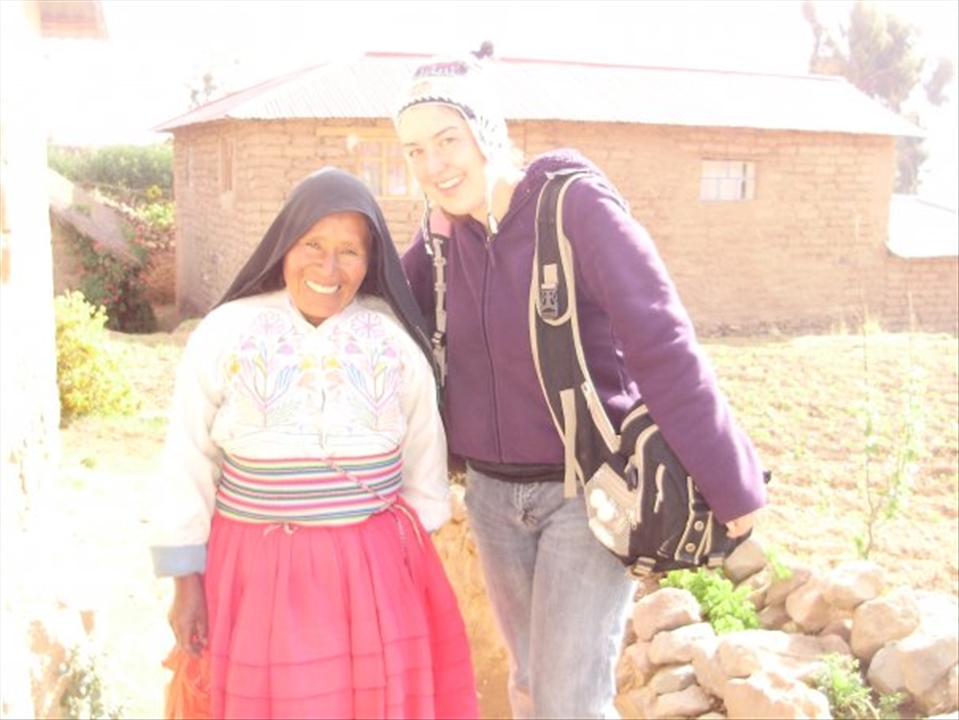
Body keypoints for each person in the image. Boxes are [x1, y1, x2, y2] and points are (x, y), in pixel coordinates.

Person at [394, 53, 769, 719]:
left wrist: (731, 482)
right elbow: (384, 311)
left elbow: (661, 339)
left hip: (588, 495)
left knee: (568, 700)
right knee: (530, 681)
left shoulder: (574, 208)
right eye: (415, 150)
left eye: (448, 140)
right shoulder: (440, 237)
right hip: (488, 497)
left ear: (487, 131)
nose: (433, 166)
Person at [148, 167, 479, 719]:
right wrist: (186, 582)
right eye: (313, 245)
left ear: (371, 259)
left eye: (349, 251)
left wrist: (385, 568)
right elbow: (188, 457)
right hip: (254, 573)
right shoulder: (227, 333)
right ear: (285, 244)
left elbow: (425, 472)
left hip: (370, 576)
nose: (329, 268)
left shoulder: (393, 342)